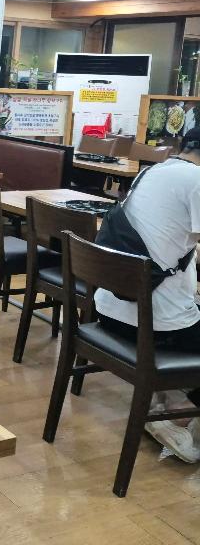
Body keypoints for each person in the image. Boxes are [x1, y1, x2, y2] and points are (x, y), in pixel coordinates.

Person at [95, 127, 200, 461]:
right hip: (151, 326)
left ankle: (171, 398)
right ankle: (177, 414)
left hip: (109, 311)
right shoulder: (197, 181)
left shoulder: (153, 171)